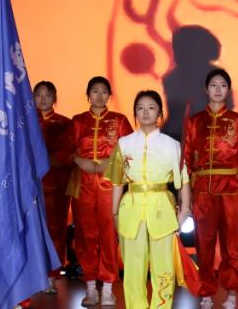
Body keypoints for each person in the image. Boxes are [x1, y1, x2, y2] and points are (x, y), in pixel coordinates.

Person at [106, 90, 192, 309]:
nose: (145, 112)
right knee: (133, 268)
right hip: (131, 208)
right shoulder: (124, 144)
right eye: (140, 108)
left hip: (161, 208)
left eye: (151, 107)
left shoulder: (171, 145)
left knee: (163, 267)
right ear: (135, 112)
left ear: (160, 113)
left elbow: (183, 180)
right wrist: (114, 213)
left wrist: (184, 210)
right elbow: (117, 182)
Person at [183, 68, 238, 309]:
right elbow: (186, 160)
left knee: (230, 245)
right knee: (203, 244)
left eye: (223, 85)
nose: (218, 89)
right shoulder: (195, 122)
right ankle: (206, 292)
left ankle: (231, 293)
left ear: (228, 90)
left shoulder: (237, 121)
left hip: (230, 190)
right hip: (202, 191)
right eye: (213, 85)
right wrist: (187, 193)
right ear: (206, 89)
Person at [70, 76, 133, 307]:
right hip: (83, 183)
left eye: (104, 91)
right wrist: (79, 160)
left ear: (110, 95)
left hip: (110, 184)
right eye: (95, 91)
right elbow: (65, 150)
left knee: (109, 235)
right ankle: (90, 288)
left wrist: (110, 162)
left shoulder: (120, 120)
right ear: (88, 94)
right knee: (85, 235)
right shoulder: (77, 122)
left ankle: (107, 288)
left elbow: (130, 150)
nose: (99, 95)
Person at [33, 81, 74, 296]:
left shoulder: (64, 124)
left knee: (55, 230)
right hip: (29, 184)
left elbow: (68, 154)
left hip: (55, 184)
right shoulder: (24, 122)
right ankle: (32, 276)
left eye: (47, 95)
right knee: (31, 229)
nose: (42, 99)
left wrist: (46, 160)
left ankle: (51, 276)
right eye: (38, 95)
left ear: (54, 98)